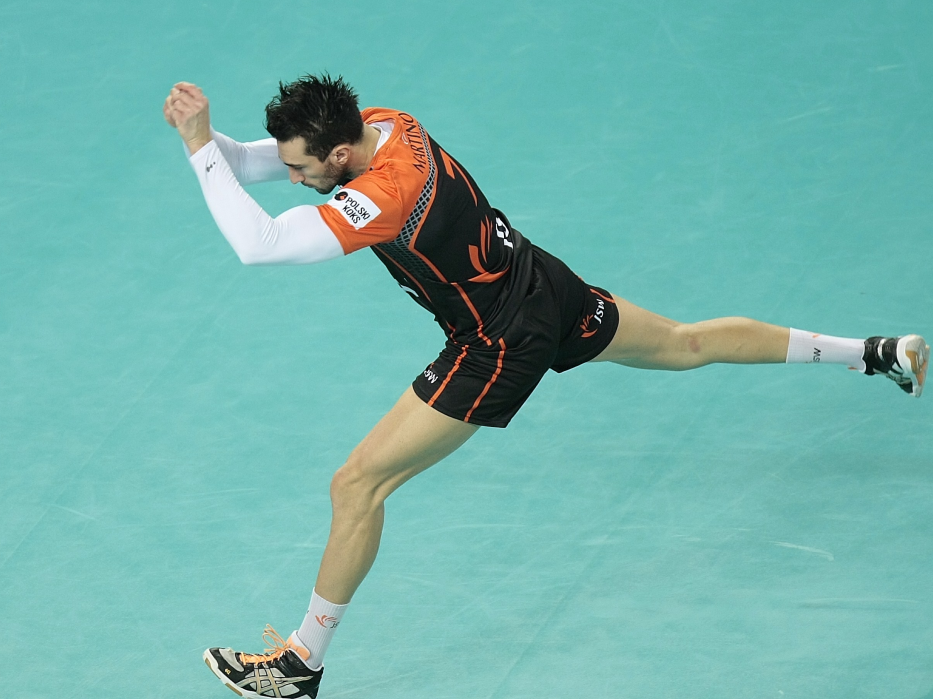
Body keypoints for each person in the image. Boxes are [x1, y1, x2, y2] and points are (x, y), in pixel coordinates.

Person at [162, 76, 927, 699]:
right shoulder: (385, 123)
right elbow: (254, 163)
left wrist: (201, 151)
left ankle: (301, 665)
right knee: (685, 342)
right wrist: (205, 135)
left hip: (496, 342)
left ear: (338, 152)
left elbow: (260, 244)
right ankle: (874, 353)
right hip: (539, 281)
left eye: (304, 171)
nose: (295, 180)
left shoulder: (387, 194)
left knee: (357, 484)